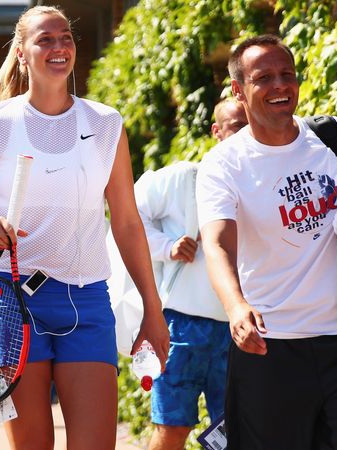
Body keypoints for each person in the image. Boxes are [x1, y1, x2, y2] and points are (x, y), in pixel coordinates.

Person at [0, 6, 169, 450]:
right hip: (11, 302)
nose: (58, 47)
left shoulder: (106, 123)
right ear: (22, 53)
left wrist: (153, 306)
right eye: (44, 39)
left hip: (87, 300)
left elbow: (126, 223)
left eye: (64, 37)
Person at [196, 35, 337, 449]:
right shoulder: (223, 164)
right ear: (238, 90)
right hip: (271, 348)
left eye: (287, 74)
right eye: (263, 77)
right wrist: (235, 307)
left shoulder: (330, 136)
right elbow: (217, 245)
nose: (279, 85)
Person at [135, 98, 247, 450]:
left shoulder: (265, 185)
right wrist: (166, 245)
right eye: (236, 126)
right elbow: (128, 216)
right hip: (180, 326)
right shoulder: (185, 177)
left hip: (240, 327)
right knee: (172, 430)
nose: (245, 134)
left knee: (235, 433)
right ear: (217, 131)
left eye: (251, 125)